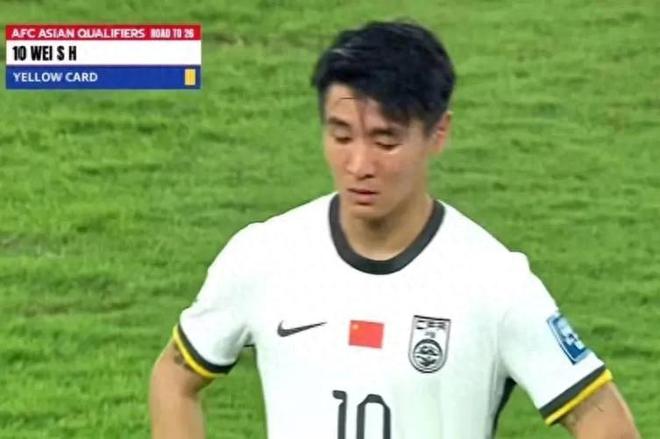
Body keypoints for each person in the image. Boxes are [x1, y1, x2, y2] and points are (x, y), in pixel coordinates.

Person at [149, 20, 639, 439]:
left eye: (385, 141)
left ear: (438, 133)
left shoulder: (493, 284)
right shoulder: (265, 256)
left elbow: (602, 418)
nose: (359, 164)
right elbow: (174, 376)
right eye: (341, 135)